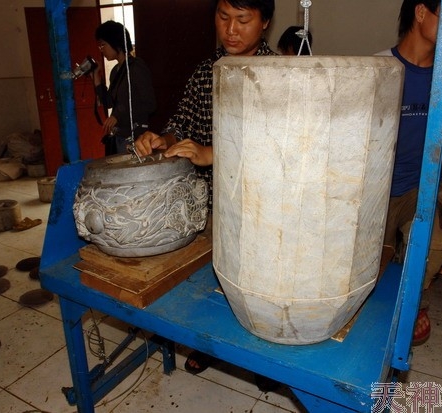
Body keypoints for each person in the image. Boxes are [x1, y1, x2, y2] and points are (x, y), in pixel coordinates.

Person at [134, 0, 279, 390]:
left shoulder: (280, 73)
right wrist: (162, 139)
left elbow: (278, 144)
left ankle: (266, 360)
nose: (231, 29)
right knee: (214, 281)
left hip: (260, 204)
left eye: (243, 20)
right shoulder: (205, 72)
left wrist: (212, 153)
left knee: (260, 284)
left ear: (265, 22)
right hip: (213, 201)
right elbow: (182, 122)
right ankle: (211, 346)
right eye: (223, 18)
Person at [378, 0, 442, 345]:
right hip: (377, 190)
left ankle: (411, 300)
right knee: (371, 263)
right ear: (420, 13)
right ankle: (383, 299)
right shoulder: (379, 69)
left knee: (439, 239)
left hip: (421, 187)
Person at [93, 20, 156, 155]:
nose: (101, 50)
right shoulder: (116, 71)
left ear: (116, 43)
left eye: (103, 45)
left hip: (136, 137)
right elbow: (109, 102)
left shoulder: (136, 67)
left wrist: (118, 115)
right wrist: (96, 77)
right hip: (120, 136)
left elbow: (149, 104)